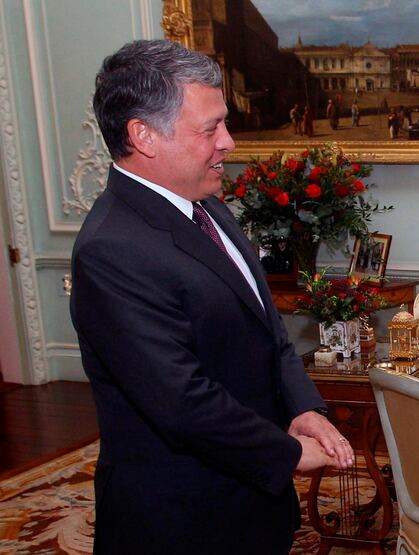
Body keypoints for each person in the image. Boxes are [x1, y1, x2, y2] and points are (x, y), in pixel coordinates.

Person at [70, 39, 354, 555]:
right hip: (181, 519)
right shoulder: (111, 249)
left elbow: (267, 328)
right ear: (143, 136)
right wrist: (287, 452)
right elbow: (180, 399)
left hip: (249, 502)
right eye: (209, 129)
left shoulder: (205, 205)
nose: (228, 142)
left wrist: (301, 405)